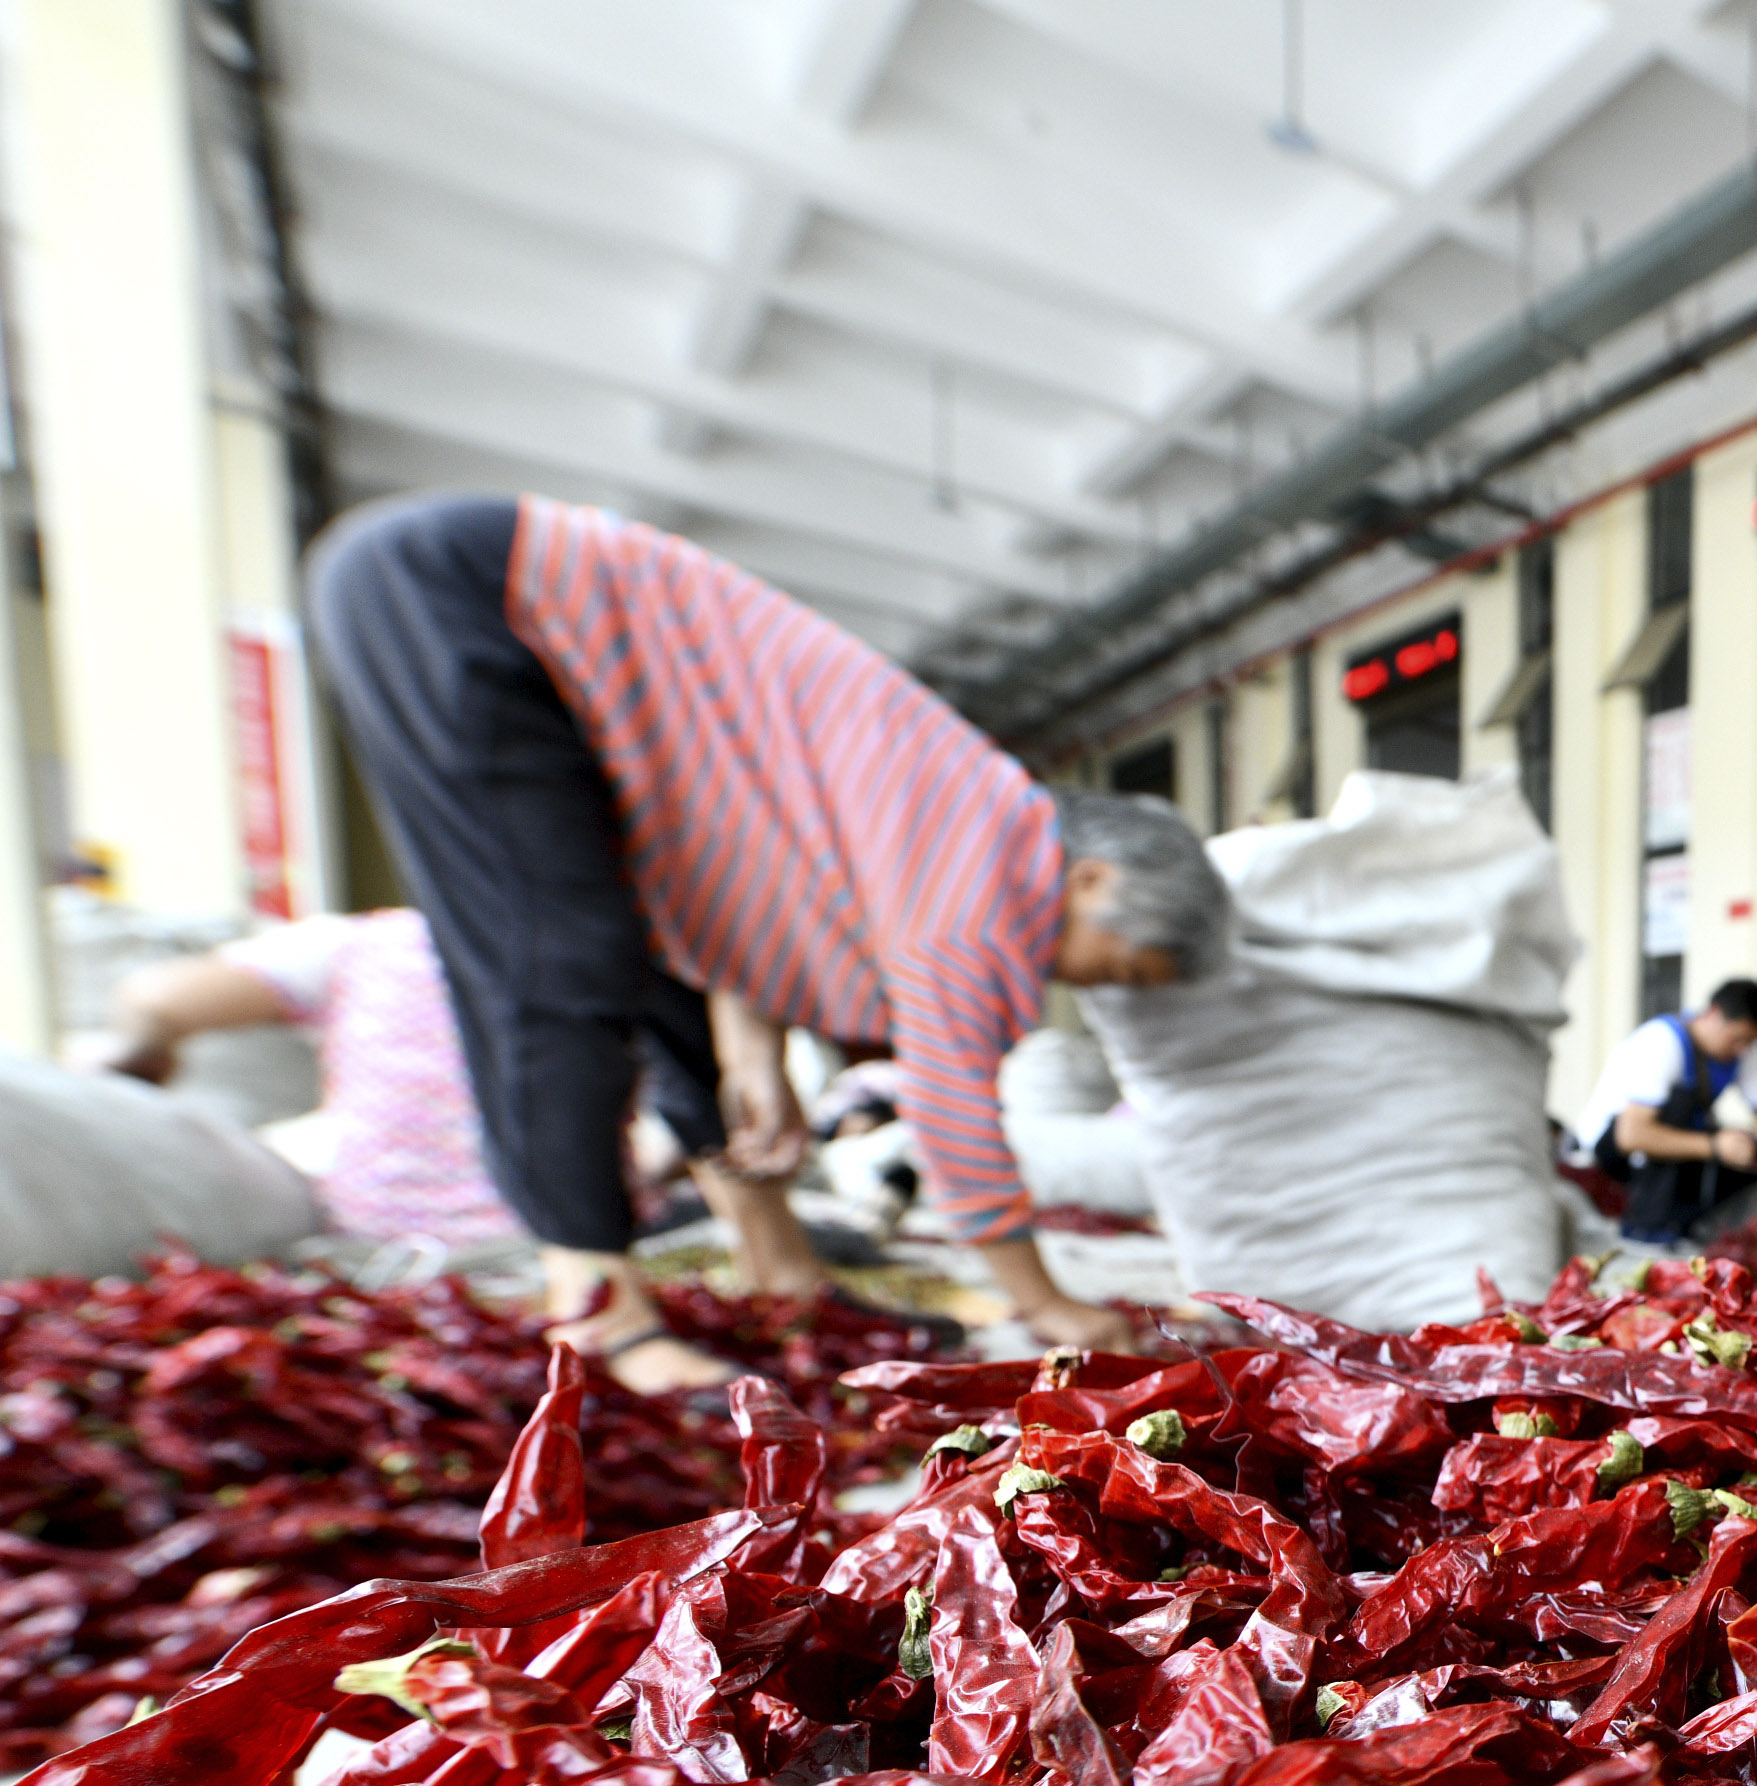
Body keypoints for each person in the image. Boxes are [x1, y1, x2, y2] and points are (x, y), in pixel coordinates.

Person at [306, 492, 1233, 1392]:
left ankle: (780, 1270)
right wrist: (1046, 1304)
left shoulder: (961, 813)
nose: (1093, 983)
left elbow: (743, 883)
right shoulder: (994, 866)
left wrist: (752, 1051)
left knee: (655, 978)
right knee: (558, 952)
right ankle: (599, 1315)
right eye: (1119, 966)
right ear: (1092, 880)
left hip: (471, 594)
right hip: (474, 594)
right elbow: (952, 1106)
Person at [101, 909, 528, 1255]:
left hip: (376, 1249)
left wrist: (147, 1055)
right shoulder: (555, 960)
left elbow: (155, 998)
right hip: (533, 1251)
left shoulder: (369, 941)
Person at [1577, 978, 1757, 1246]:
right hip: (1615, 1148)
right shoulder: (1663, 1040)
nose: (1742, 1049)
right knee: (1679, 1105)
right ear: (1713, 1014)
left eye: (1750, 1042)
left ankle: (1681, 1223)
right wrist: (1715, 1146)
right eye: (1738, 1039)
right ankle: (1643, 1228)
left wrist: (1756, 1143)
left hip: (1677, 1142)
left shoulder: (1743, 1051)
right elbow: (1631, 1135)